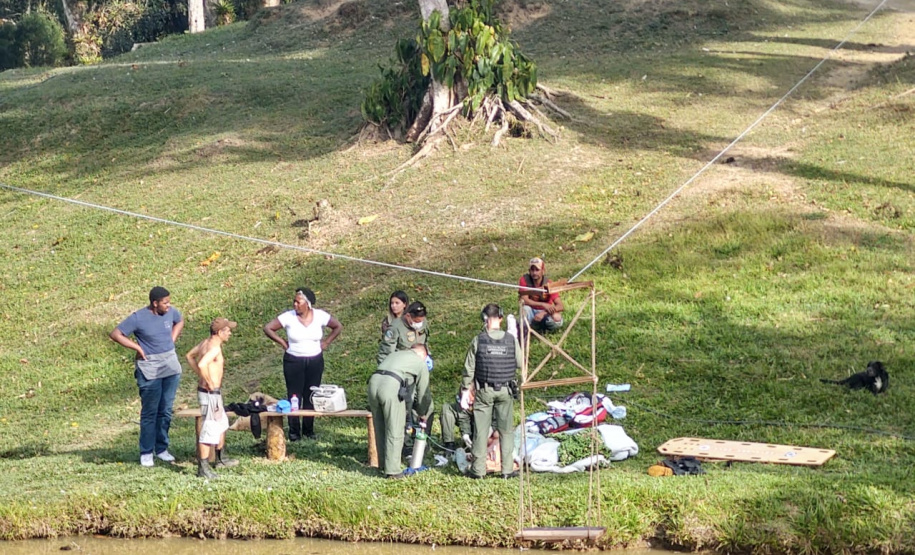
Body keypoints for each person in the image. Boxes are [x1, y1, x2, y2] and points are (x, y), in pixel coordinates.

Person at [109, 286, 185, 467]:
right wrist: (137, 348)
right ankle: (146, 452)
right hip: (150, 367)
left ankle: (161, 449)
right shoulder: (138, 318)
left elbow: (179, 321)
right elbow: (116, 334)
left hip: (170, 365)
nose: (169, 305)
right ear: (155, 303)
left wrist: (171, 339)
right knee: (150, 411)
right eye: (165, 302)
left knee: (165, 410)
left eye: (169, 301)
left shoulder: (170, 312)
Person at [263, 287, 343, 441]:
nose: (295, 304)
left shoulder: (320, 316)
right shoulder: (288, 317)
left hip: (315, 360)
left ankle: (308, 429)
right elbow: (268, 328)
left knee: (311, 395)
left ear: (308, 304)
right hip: (293, 360)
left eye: (298, 302)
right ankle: (294, 432)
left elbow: (337, 326)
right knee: (294, 395)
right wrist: (282, 342)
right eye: (294, 301)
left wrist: (326, 342)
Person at [461, 303, 523, 479]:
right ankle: (507, 470)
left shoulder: (478, 340)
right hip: (506, 390)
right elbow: (520, 363)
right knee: (506, 431)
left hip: (484, 390)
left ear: (484, 319)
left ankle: (478, 471)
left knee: (481, 431)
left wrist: (466, 387)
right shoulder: (511, 340)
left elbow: (469, 368)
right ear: (501, 319)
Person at [367, 344, 434, 479]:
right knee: (395, 427)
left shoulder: (395, 354)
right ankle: (393, 471)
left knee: (380, 426)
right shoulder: (420, 363)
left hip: (373, 383)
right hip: (390, 385)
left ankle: (382, 464)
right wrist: (423, 413)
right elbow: (423, 394)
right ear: (423, 355)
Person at [185, 317, 240, 478]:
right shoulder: (214, 348)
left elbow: (189, 356)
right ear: (219, 332)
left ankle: (221, 458)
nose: (230, 333)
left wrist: (202, 377)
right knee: (209, 429)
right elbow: (202, 364)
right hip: (210, 394)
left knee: (222, 423)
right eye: (228, 330)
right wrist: (209, 382)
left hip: (211, 393)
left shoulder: (205, 343)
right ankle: (203, 468)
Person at [519, 257, 564, 333]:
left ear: (543, 271)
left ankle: (542, 328)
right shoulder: (524, 280)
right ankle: (528, 328)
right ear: (529, 271)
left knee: (557, 318)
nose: (534, 273)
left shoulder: (549, 284)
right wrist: (543, 304)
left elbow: (560, 306)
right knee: (525, 310)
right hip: (531, 310)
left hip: (545, 312)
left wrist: (544, 312)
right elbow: (525, 300)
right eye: (532, 270)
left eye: (537, 270)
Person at [440, 387, 474, 452]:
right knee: (447, 408)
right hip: (467, 420)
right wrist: (466, 434)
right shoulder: (463, 391)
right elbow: (463, 416)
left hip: (483, 426)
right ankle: (449, 444)